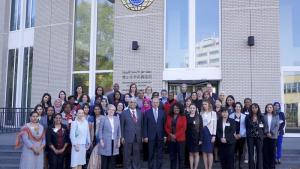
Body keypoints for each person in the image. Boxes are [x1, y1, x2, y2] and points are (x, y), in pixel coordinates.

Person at [143, 98, 166, 169]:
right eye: (154, 102)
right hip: (150, 136)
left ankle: (159, 167)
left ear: (159, 103)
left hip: (160, 136)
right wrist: (145, 136)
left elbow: (164, 125)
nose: (155, 104)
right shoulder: (147, 112)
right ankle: (151, 167)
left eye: (157, 102)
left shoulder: (163, 112)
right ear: (151, 103)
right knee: (151, 154)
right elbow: (145, 125)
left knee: (159, 154)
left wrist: (165, 135)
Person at [121, 97, 143, 169]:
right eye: (131, 102)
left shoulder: (140, 112)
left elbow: (142, 125)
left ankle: (136, 167)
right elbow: (121, 126)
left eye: (134, 102)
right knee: (127, 155)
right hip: (127, 137)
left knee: (137, 154)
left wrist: (142, 136)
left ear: (136, 103)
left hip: (138, 137)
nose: (132, 103)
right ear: (128, 103)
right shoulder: (124, 113)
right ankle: (128, 167)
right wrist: (122, 137)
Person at [165, 103, 187, 169]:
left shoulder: (183, 117)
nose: (176, 109)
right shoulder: (169, 116)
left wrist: (175, 135)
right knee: (172, 157)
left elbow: (184, 128)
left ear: (180, 109)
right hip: (171, 139)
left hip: (180, 140)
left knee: (181, 157)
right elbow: (166, 126)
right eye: (175, 108)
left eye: (178, 108)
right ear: (172, 109)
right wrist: (170, 134)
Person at [99, 104, 121, 169]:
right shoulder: (103, 118)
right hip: (105, 142)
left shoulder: (117, 119)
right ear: (107, 110)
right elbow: (100, 130)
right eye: (110, 110)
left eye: (113, 110)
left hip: (114, 142)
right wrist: (101, 140)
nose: (111, 111)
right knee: (105, 160)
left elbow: (119, 131)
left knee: (113, 160)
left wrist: (119, 141)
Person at [245, 103, 264, 169]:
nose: (254, 109)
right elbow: (246, 126)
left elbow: (263, 127)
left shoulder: (261, 116)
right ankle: (251, 167)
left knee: (259, 153)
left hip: (259, 137)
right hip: (250, 137)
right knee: (251, 153)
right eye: (253, 108)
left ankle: (259, 167)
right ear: (251, 108)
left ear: (258, 108)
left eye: (256, 107)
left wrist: (262, 134)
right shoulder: (248, 117)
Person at [200, 100, 217, 169]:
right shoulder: (201, 113)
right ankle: (206, 167)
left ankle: (210, 168)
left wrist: (214, 135)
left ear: (209, 105)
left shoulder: (213, 113)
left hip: (210, 134)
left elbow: (214, 125)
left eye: (206, 104)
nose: (204, 105)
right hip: (203, 133)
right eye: (203, 104)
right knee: (204, 152)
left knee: (209, 152)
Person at [229, 102, 246, 169]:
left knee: (241, 151)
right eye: (236, 106)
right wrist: (234, 134)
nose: (238, 108)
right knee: (234, 151)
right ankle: (235, 165)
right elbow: (230, 127)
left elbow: (245, 127)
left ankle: (240, 165)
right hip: (234, 136)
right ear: (234, 108)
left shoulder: (244, 116)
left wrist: (240, 134)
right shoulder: (231, 115)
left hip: (242, 136)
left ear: (241, 108)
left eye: (239, 106)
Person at [263, 104, 279, 169]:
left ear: (273, 109)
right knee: (265, 153)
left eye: (270, 107)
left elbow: (277, 126)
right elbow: (262, 125)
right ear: (266, 108)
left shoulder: (276, 116)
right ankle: (266, 167)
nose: (269, 108)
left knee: (272, 153)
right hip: (265, 137)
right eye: (268, 107)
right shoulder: (263, 116)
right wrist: (267, 133)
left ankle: (272, 167)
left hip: (273, 137)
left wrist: (271, 133)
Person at [186, 104, 203, 169]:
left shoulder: (199, 117)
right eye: (191, 108)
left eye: (193, 108)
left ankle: (195, 168)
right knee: (190, 154)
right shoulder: (187, 116)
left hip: (197, 138)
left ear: (196, 109)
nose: (192, 109)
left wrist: (201, 139)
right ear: (189, 109)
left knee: (196, 153)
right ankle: (191, 167)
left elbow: (201, 128)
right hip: (189, 138)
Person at [87, 105, 102, 169]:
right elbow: (89, 130)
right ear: (93, 110)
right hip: (94, 139)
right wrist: (90, 140)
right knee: (94, 155)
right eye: (95, 109)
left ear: (100, 110)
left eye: (98, 109)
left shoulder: (103, 117)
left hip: (102, 140)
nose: (97, 110)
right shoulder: (91, 118)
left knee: (100, 156)